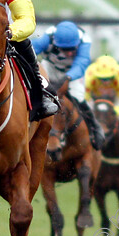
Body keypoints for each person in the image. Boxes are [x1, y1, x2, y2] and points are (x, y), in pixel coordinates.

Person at [33, 20, 104, 150]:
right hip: (50, 68)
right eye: (65, 49)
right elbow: (33, 49)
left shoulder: (84, 40)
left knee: (79, 97)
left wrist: (68, 77)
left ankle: (94, 127)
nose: (69, 53)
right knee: (35, 93)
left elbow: (82, 62)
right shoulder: (49, 36)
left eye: (72, 49)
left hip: (72, 72)